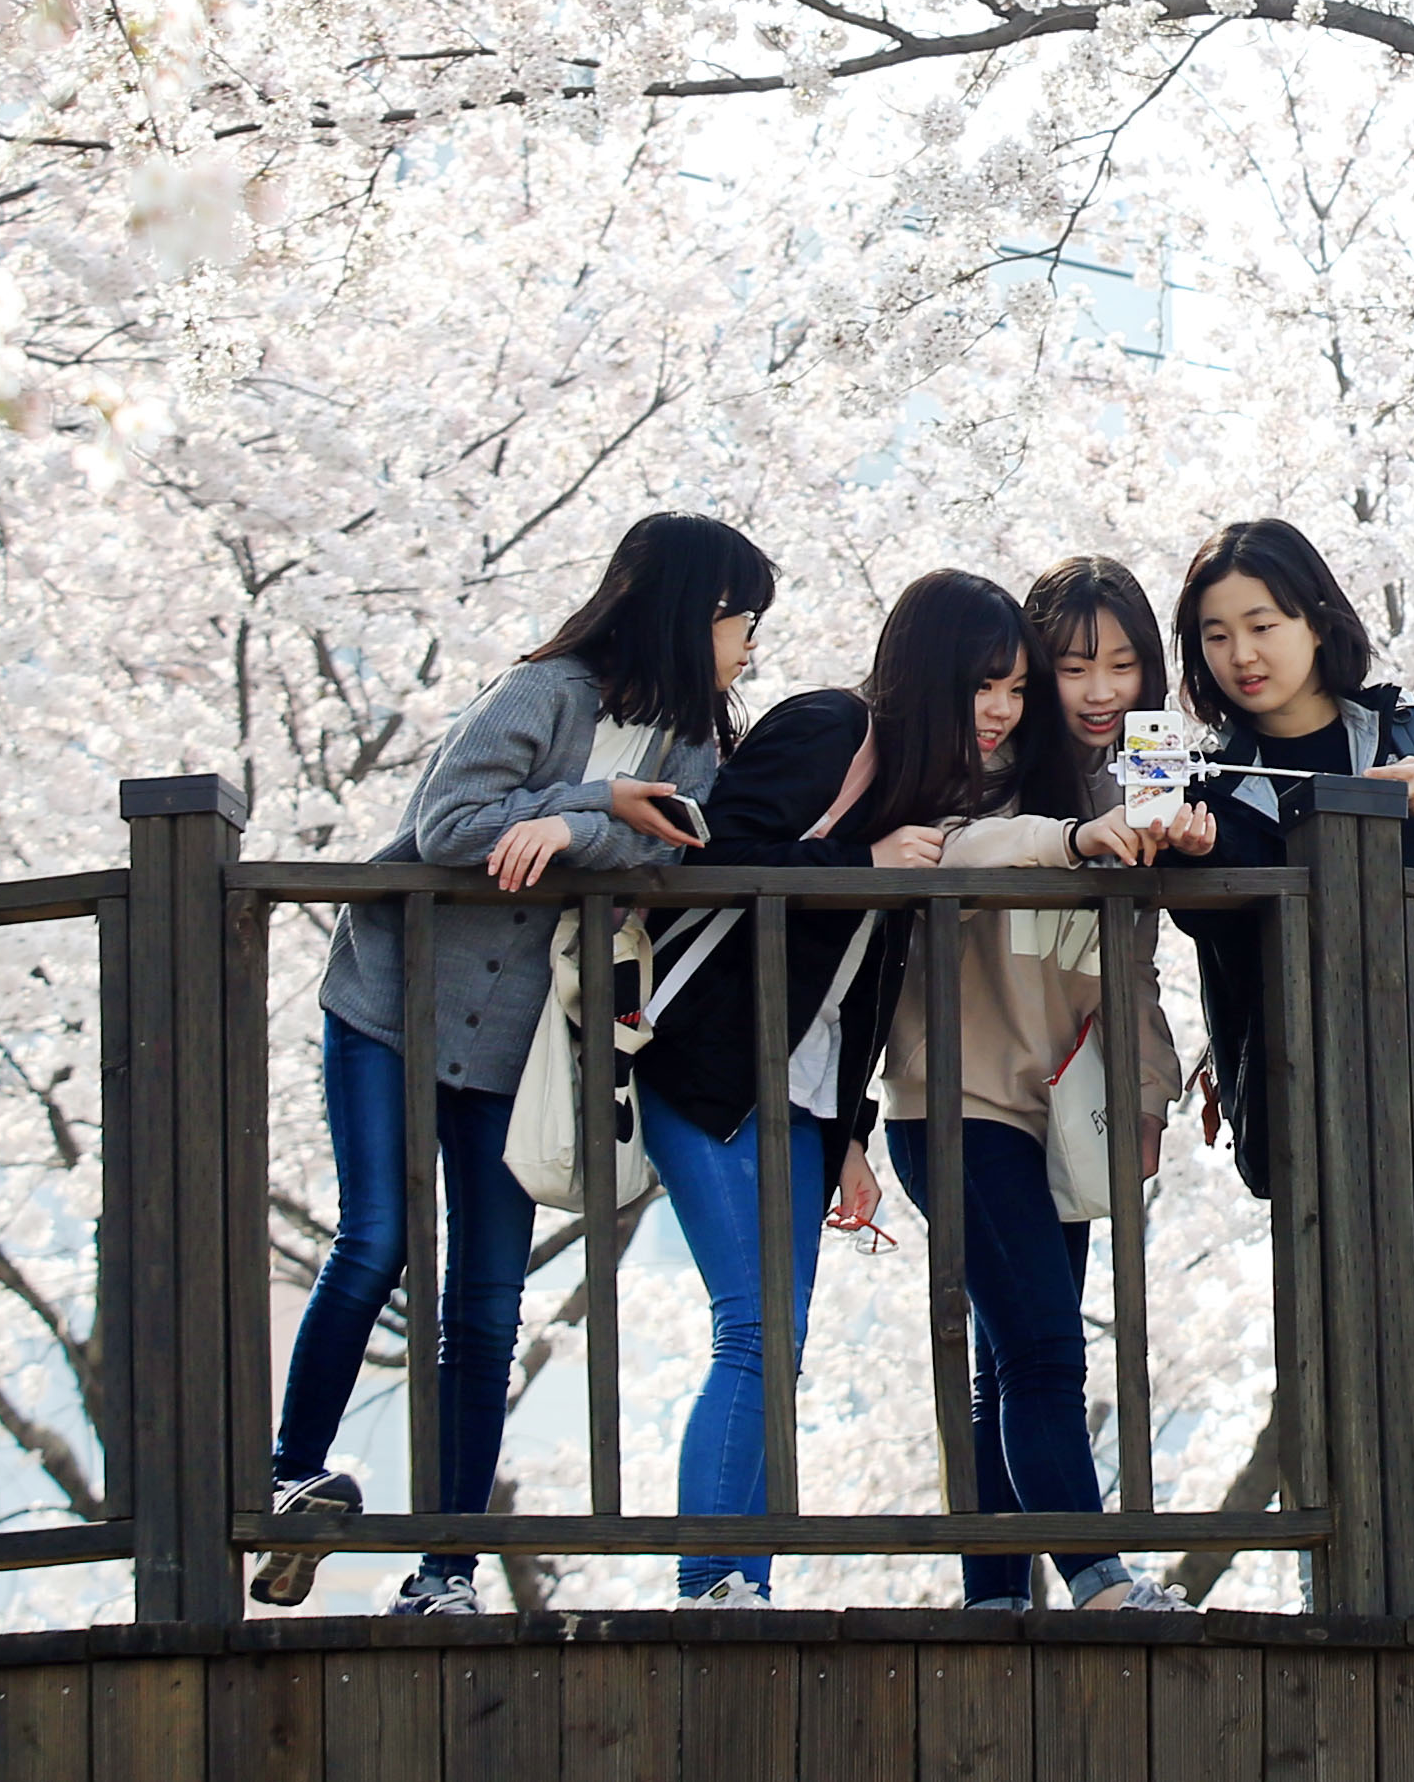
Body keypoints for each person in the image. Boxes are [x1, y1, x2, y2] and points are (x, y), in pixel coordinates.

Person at [260, 510, 758, 1615]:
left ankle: (446, 1571)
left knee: (487, 1301)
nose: (750, 647)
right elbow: (448, 826)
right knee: (377, 1236)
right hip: (392, 1003)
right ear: (690, 612)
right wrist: (589, 800)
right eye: (741, 621)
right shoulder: (546, 692)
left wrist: (578, 828)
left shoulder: (691, 746)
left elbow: (671, 842)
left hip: (515, 1046)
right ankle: (289, 1478)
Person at [622, 565, 1010, 1606]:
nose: (1001, 710)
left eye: (1015, 690)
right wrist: (859, 861)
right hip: (704, 1059)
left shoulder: (927, 795)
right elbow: (704, 858)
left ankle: (738, 1584)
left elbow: (859, 988)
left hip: (802, 1097)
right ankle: (711, 1584)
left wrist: (851, 1133)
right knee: (754, 1328)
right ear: (929, 670)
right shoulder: (830, 727)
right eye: (983, 683)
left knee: (777, 1342)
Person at [1169, 519, 1414, 1614]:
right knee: (1331, 1355)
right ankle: (1330, 1596)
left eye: (1263, 624)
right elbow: (1214, 938)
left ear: (1318, 620)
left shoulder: (1411, 730)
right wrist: (1188, 855)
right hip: (1310, 1094)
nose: (1243, 654)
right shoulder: (1200, 777)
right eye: (1217, 635)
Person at [857, 558, 1208, 1611]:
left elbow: (1131, 965)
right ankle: (1099, 1580)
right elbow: (958, 847)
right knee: (1047, 1349)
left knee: (1010, 1358)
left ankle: (997, 1599)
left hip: (1065, 1108)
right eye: (1072, 667)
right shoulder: (977, 768)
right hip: (955, 1102)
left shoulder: (1135, 784)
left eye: (1125, 665)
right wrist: (1071, 839)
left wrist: (1145, 1094)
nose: (1101, 691)